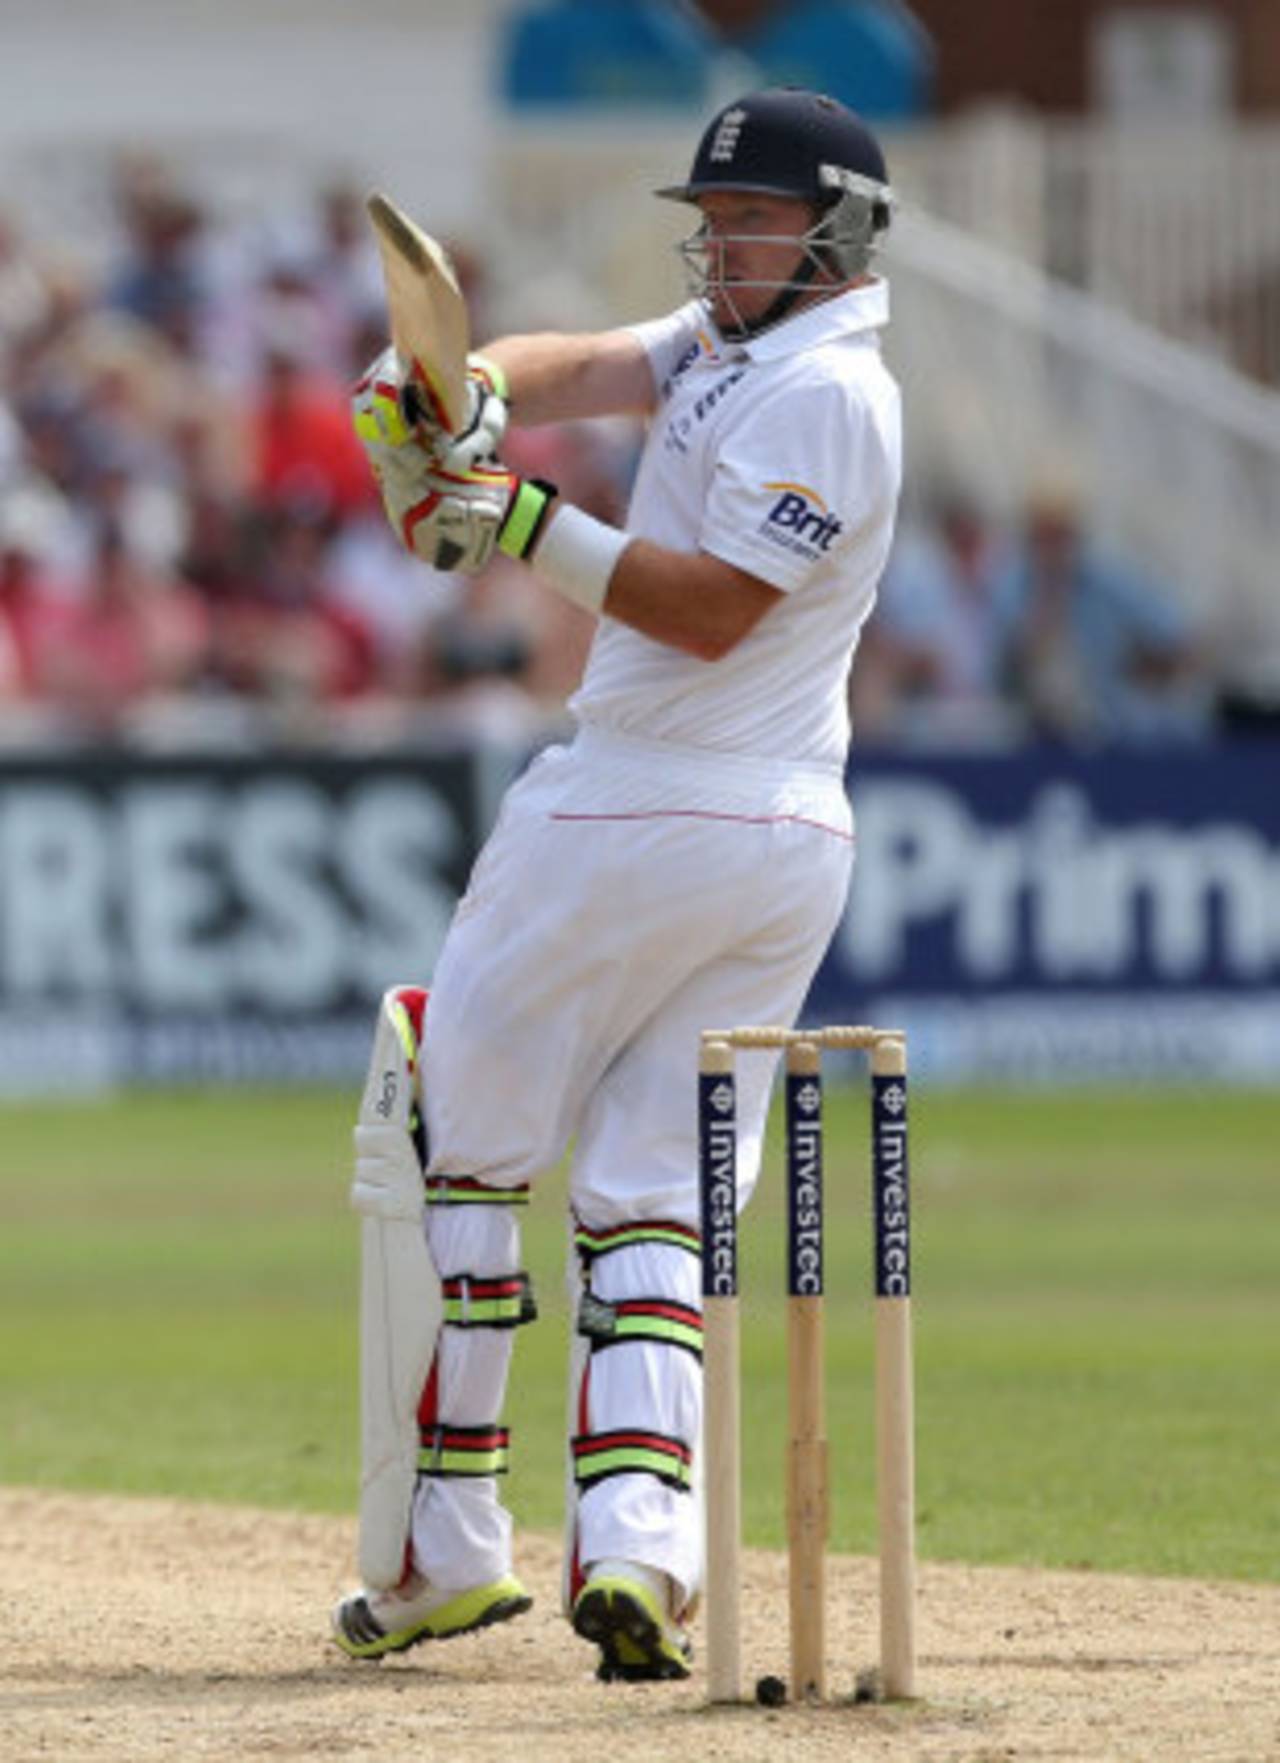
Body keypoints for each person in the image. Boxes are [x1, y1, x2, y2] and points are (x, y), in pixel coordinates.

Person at [331, 87, 902, 1684]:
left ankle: (441, 1552)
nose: (717, 245)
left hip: (632, 810)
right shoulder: (742, 337)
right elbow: (583, 363)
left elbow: (713, 608)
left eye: (749, 222)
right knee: (652, 1188)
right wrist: (454, 390)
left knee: (460, 1152)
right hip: (784, 848)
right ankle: (642, 1556)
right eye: (709, 221)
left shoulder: (831, 398)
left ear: (839, 233)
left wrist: (511, 511)